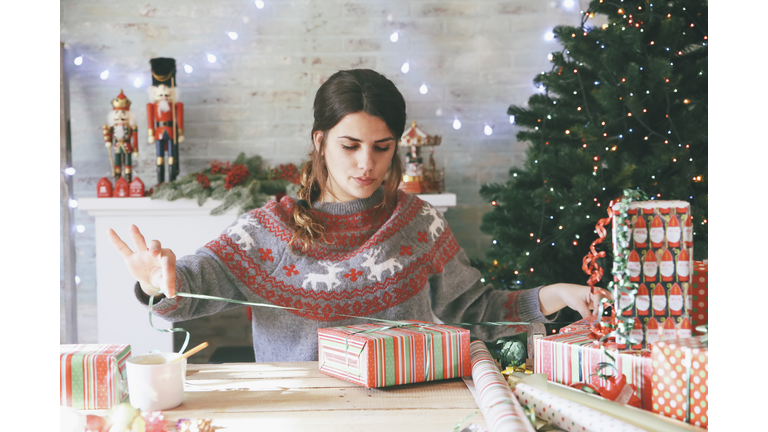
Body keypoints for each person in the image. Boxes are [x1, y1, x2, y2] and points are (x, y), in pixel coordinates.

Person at [108, 69, 610, 362]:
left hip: (406, 409)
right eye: (350, 145)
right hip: (304, 416)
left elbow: (473, 309)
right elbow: (190, 290)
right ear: (320, 141)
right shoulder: (270, 229)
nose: (366, 163)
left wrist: (554, 296)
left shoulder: (417, 221)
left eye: (381, 147)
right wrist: (157, 282)